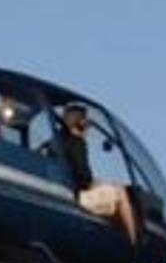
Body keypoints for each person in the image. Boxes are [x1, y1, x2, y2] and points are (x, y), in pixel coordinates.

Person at [59, 103, 139, 245]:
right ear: (81, 123)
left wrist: (101, 184)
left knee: (111, 191)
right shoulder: (77, 144)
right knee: (121, 193)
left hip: (69, 190)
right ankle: (132, 243)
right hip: (79, 197)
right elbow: (85, 180)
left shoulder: (61, 141)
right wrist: (102, 185)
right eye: (86, 122)